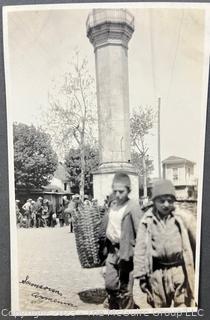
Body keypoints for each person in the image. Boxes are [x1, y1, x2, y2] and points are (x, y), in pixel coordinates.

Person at [133, 179, 196, 308]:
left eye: (170, 201)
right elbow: (140, 249)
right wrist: (141, 275)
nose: (166, 205)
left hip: (179, 270)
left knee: (182, 304)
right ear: (154, 202)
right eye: (162, 201)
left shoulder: (183, 218)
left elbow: (197, 241)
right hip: (157, 272)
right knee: (159, 305)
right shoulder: (147, 221)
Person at [99, 172, 143, 309]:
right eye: (115, 191)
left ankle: (127, 311)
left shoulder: (133, 207)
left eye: (121, 191)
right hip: (112, 252)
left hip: (127, 253)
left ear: (128, 190)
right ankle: (118, 308)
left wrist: (139, 253)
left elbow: (141, 232)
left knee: (125, 291)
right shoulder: (113, 207)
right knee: (110, 285)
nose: (118, 195)